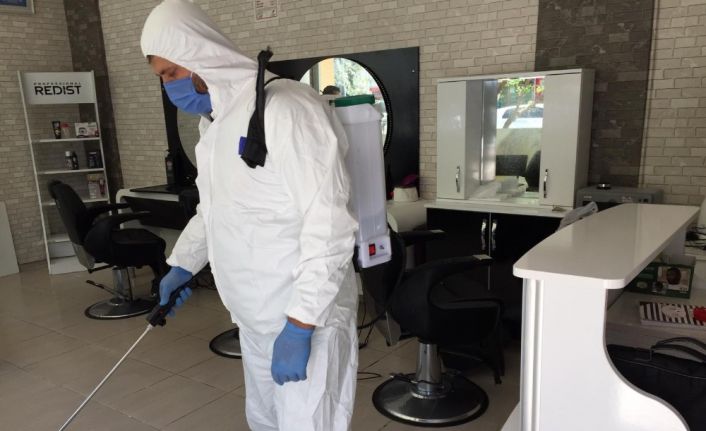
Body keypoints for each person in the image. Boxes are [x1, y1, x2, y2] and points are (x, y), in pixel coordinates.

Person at [141, 1, 359, 430]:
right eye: (162, 78)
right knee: (263, 421)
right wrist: (183, 265)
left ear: (198, 52)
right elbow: (215, 210)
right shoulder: (215, 124)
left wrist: (301, 323)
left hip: (305, 319)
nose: (169, 87)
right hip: (254, 319)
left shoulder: (287, 108)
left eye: (171, 72)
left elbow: (330, 224)